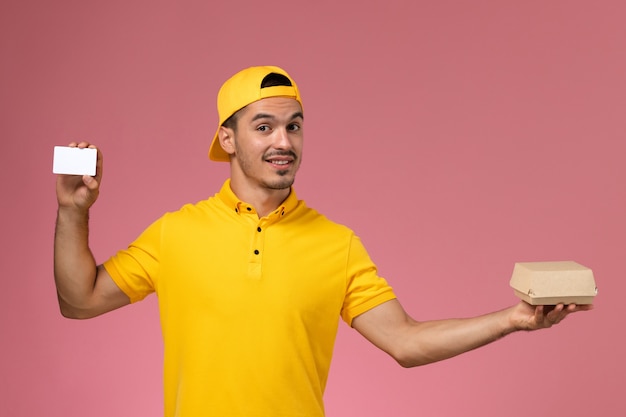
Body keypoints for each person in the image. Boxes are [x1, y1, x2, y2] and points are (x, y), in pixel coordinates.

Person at [54, 65, 592, 417]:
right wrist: (72, 213)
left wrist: (512, 320)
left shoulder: (337, 244)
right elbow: (78, 301)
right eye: (263, 127)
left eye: (294, 126)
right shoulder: (176, 232)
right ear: (227, 138)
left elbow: (405, 341)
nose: (283, 142)